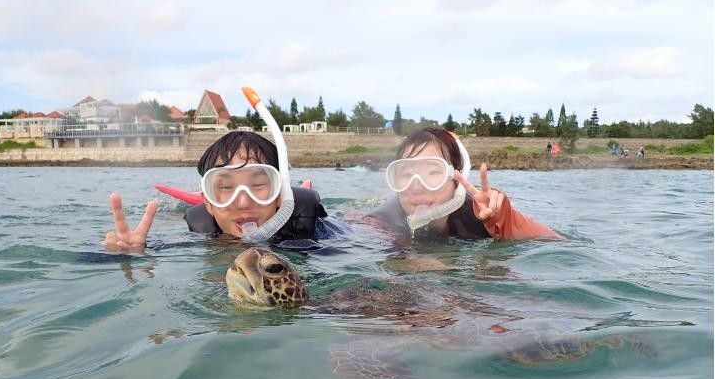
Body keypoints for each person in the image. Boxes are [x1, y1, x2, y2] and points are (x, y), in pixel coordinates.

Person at [104, 131, 328, 251]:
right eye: (225, 187)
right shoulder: (200, 232)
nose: (242, 202)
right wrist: (130, 252)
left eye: (258, 185)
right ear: (208, 202)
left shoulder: (310, 228)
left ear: (280, 195)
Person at [365, 127, 561, 240]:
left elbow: (556, 241)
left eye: (433, 172)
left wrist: (504, 221)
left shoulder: (478, 214)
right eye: (407, 174)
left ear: (456, 179)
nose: (417, 185)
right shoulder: (381, 222)